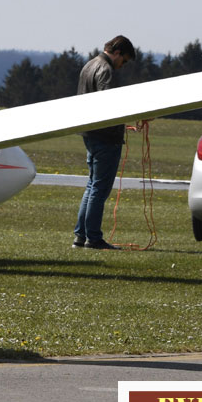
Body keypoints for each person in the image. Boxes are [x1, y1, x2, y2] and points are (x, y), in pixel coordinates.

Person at [73, 35, 136, 250]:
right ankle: (93, 238)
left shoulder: (89, 64)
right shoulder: (106, 70)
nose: (122, 66)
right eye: (124, 61)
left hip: (90, 134)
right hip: (106, 138)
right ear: (117, 52)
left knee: (92, 186)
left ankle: (80, 236)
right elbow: (108, 104)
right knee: (99, 189)